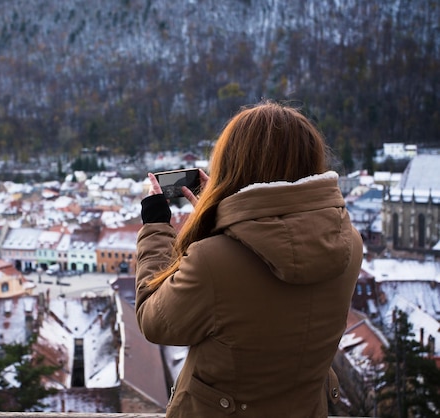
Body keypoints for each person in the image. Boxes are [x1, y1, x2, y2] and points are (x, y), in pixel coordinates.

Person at [136, 100, 363, 417]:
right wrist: (219, 212)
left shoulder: (212, 262)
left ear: (233, 164)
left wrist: (157, 227)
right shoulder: (348, 242)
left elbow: (154, 321)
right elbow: (277, 241)